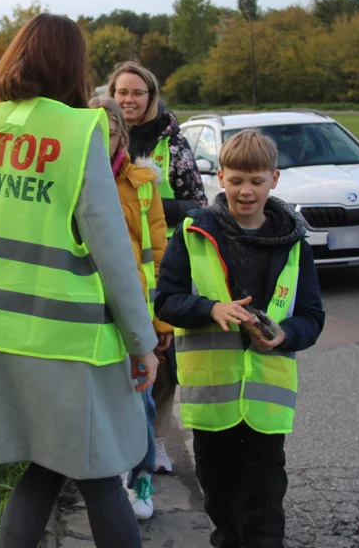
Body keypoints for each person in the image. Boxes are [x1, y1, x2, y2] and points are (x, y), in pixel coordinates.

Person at [0, 14, 160, 548]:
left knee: (43, 469)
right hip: (67, 341)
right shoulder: (80, 130)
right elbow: (112, 252)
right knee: (101, 471)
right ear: (74, 66)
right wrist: (142, 343)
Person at [154, 129, 325, 548]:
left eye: (256, 181)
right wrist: (211, 309)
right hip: (213, 400)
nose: (245, 192)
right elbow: (165, 301)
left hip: (267, 401)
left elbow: (312, 317)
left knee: (265, 499)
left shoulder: (295, 244)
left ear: (274, 180)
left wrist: (285, 335)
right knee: (220, 494)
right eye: (235, 181)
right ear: (221, 179)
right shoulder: (195, 231)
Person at [107, 61, 207, 473]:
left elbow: (198, 205)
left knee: (162, 361)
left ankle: (158, 440)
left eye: (137, 93)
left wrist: (146, 202)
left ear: (151, 98)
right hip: (114, 261)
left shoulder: (172, 143)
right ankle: (118, 446)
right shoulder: (99, 135)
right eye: (122, 92)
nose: (129, 100)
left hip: (166, 259)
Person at [88, 96, 167, 520]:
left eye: (112, 132)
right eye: (95, 133)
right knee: (98, 401)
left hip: (135, 310)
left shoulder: (141, 184)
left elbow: (158, 252)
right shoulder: (74, 180)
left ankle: (140, 479)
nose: (103, 141)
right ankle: (108, 476)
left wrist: (159, 321)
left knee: (142, 403)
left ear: (123, 134)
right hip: (89, 310)